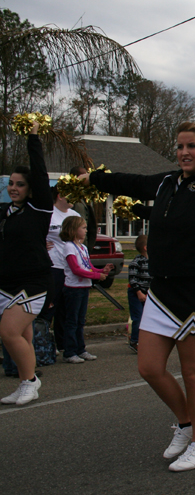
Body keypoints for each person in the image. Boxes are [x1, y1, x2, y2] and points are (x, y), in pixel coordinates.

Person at [83, 93, 195, 471]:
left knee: (193, 371)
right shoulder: (165, 184)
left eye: (193, 146)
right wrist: (93, 178)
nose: (184, 152)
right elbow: (129, 181)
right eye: (179, 146)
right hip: (163, 288)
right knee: (149, 367)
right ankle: (186, 423)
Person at [1, 120, 52, 406]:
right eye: (10, 183)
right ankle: (25, 381)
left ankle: (30, 381)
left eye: (20, 184)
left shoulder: (39, 207)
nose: (13, 188)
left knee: (8, 331)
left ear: (30, 188)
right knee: (21, 335)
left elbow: (41, 174)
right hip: (6, 282)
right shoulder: (5, 213)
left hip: (33, 280)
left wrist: (33, 138)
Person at [60, 216, 111, 363]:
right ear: (73, 229)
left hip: (83, 287)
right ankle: (69, 351)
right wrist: (96, 275)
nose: (86, 230)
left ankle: (80, 349)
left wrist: (102, 271)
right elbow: (76, 269)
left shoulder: (83, 247)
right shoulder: (69, 246)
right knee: (72, 320)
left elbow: (88, 266)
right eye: (83, 228)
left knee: (80, 320)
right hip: (73, 289)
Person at [40, 188, 81, 353]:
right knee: (51, 304)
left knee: (66, 307)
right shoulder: (48, 214)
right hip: (53, 265)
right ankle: (43, 341)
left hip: (70, 267)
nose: (73, 199)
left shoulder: (75, 215)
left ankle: (63, 343)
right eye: (71, 195)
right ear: (60, 196)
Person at [127, 234, 151, 353]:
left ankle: (145, 340)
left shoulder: (152, 261)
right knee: (138, 317)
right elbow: (132, 279)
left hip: (148, 294)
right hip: (136, 294)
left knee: (147, 318)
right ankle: (135, 341)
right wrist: (138, 292)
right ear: (146, 247)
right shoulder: (136, 262)